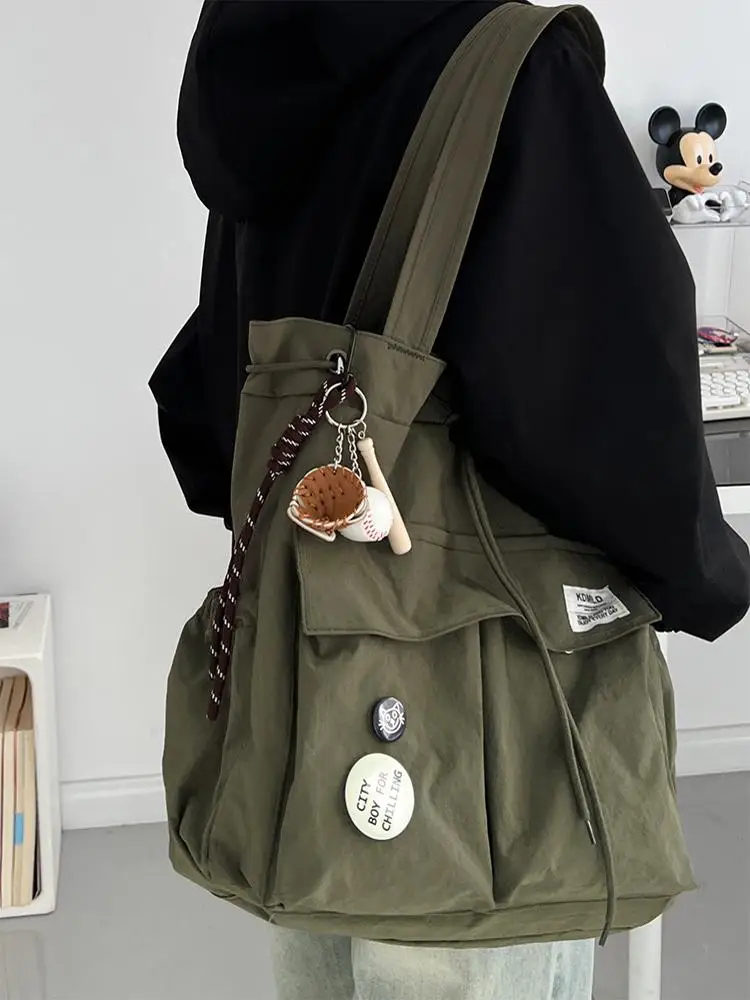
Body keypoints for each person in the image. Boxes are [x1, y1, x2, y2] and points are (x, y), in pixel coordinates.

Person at [151, 3, 750, 998]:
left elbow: (214, 387)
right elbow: (605, 396)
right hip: (478, 744)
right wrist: (705, 572)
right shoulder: (512, 69)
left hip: (302, 694)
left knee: (332, 951)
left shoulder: (255, 65)